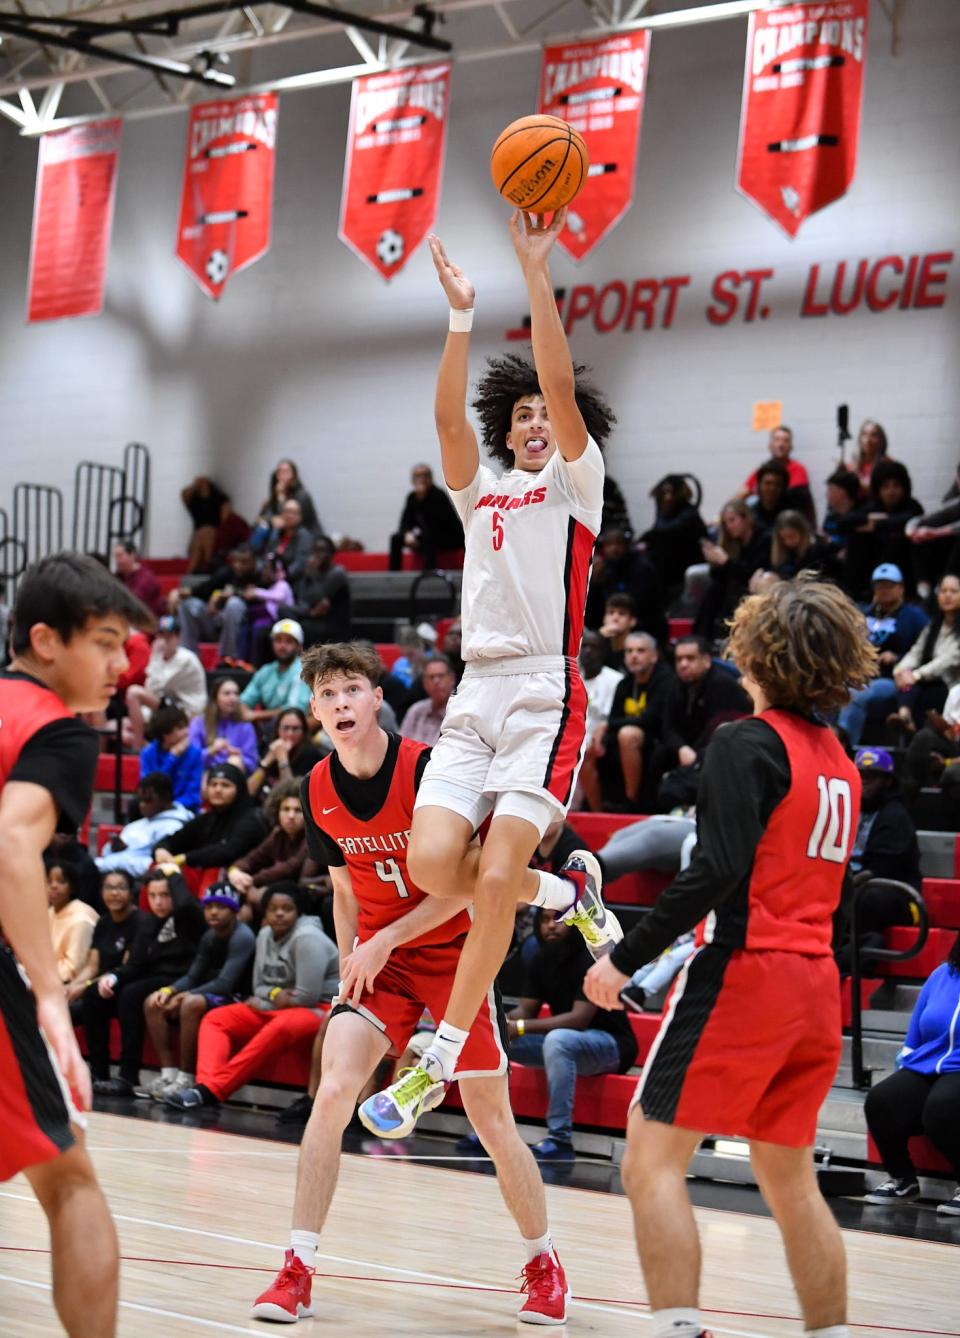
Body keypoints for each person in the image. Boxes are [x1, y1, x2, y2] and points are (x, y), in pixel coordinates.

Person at [361, 213, 623, 1141]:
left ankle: (439, 1056)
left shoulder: (574, 487)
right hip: (474, 694)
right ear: (506, 433)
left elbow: (557, 377)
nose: (534, 419)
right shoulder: (483, 495)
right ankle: (572, 893)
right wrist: (461, 319)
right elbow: (445, 421)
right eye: (518, 415)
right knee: (434, 863)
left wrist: (533, 269)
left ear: (567, 429)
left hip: (546, 693)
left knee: (498, 868)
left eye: (546, 413)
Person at [583, 574, 877, 1338]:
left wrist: (624, 958)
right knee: (789, 1178)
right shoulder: (837, 760)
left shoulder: (745, 741)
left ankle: (678, 1328)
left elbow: (714, 870)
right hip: (815, 984)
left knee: (647, 1159)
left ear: (757, 648)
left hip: (747, 970)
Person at [250, 641, 573, 1325]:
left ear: (376, 700)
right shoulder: (314, 789)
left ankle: (544, 1264)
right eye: (327, 694)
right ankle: (296, 1269)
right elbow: (342, 891)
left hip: (456, 954)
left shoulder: (430, 770)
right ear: (313, 709)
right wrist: (350, 965)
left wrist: (388, 936)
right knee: (332, 1091)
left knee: (491, 1122)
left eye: (351, 690)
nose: (339, 703)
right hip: (381, 965)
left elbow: (473, 886)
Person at [0, 552, 151, 1338]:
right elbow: (9, 848)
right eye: (104, 641)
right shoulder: (55, 729)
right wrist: (51, 998)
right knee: (70, 1180)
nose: (120, 665)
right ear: (45, 640)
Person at [165, 882, 338, 1111]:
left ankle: (213, 1090)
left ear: (298, 913)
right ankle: (204, 1087)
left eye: (286, 909)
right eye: (273, 909)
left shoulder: (308, 938)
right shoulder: (264, 934)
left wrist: (269, 997)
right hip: (275, 1006)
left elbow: (305, 997)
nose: (279, 913)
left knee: (281, 1025)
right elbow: (259, 986)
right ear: (264, 913)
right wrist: (275, 995)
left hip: (321, 1010)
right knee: (217, 1019)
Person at [498, 908, 638, 1162]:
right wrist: (499, 1022)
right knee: (497, 1041)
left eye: (558, 919)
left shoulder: (589, 958)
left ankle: (560, 1139)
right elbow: (526, 1009)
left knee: (558, 1040)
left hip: (612, 1044)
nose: (551, 926)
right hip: (569, 1043)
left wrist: (519, 1028)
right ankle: (494, 1130)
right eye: (544, 920)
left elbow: (578, 1019)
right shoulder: (541, 959)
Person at [82, 867, 207, 1096]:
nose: (158, 902)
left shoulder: (189, 918)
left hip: (182, 980)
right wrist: (113, 976)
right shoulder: (147, 924)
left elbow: (188, 905)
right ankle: (99, 1071)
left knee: (131, 994)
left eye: (165, 895)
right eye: (153, 896)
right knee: (94, 993)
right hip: (152, 979)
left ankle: (129, 1075)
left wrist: (173, 873)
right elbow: (136, 965)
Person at [863, 931, 960, 1216]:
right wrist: (906, 1061)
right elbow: (916, 1031)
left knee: (941, 1109)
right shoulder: (943, 974)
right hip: (929, 1063)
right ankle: (903, 1180)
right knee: (882, 1100)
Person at [142, 882, 256, 1102]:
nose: (212, 911)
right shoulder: (209, 937)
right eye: (208, 906)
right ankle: (168, 1075)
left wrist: (184, 995)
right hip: (216, 993)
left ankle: (186, 1077)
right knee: (153, 1001)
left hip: (241, 996)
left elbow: (225, 983)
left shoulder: (243, 936)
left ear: (233, 910)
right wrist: (170, 990)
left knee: (190, 1003)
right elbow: (193, 976)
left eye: (219, 907)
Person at [839, 573, 960, 744]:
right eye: (943, 591)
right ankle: (904, 716)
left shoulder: (915, 616)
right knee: (906, 682)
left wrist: (915, 675)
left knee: (917, 688)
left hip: (951, 685)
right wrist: (900, 671)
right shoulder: (934, 625)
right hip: (925, 679)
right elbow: (916, 652)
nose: (947, 595)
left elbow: (949, 660)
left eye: (954, 591)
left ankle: (905, 721)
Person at [648, 636, 751, 807]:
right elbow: (668, 727)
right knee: (659, 753)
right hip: (688, 749)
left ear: (706, 660)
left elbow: (720, 732)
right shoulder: (675, 685)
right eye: (679, 659)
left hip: (716, 752)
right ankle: (647, 810)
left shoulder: (723, 685)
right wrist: (682, 748)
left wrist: (694, 757)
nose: (683, 664)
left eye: (690, 658)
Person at [602, 632, 676, 811]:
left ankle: (631, 801)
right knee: (591, 745)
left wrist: (608, 725)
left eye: (640, 651)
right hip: (634, 736)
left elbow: (650, 719)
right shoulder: (625, 684)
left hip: (660, 736)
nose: (634, 655)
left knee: (628, 734)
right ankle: (595, 808)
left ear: (654, 656)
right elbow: (613, 719)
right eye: (629, 651)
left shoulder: (666, 680)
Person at [154, 762, 267, 878]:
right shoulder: (207, 818)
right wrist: (161, 849)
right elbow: (174, 840)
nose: (218, 790)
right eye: (213, 784)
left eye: (225, 785)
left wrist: (184, 858)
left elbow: (228, 851)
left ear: (239, 790)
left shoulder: (251, 818)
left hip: (242, 878)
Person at [228, 778, 310, 919]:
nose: (291, 816)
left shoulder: (311, 837)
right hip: (274, 890)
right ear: (277, 811)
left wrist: (250, 881)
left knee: (259, 899)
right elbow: (251, 858)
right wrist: (235, 872)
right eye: (286, 809)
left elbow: (290, 867)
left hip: (304, 897)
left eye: (297, 810)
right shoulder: (277, 835)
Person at [694, 499, 771, 644]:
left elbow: (751, 573)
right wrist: (714, 562)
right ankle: (702, 639)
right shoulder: (731, 541)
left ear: (746, 518)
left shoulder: (764, 538)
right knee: (715, 589)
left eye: (732, 520)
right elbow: (719, 577)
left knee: (727, 591)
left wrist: (725, 561)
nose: (729, 526)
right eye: (726, 523)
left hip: (757, 588)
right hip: (734, 588)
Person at [125, 615, 207, 750]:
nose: (163, 642)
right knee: (120, 726)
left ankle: (137, 749)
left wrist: (155, 657)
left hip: (188, 711)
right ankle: (146, 747)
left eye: (168, 637)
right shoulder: (161, 657)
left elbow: (155, 687)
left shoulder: (186, 659)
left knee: (133, 692)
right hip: (168, 705)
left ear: (178, 638)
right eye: (160, 637)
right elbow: (152, 689)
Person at [65, 871, 141, 1015]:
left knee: (82, 1002)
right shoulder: (103, 922)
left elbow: (125, 968)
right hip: (97, 984)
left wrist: (85, 986)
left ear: (131, 893)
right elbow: (92, 967)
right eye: (109, 887)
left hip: (120, 985)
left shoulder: (140, 922)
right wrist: (72, 986)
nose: (114, 893)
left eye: (121, 888)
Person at [96, 773, 191, 878]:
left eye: (147, 800)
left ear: (165, 798)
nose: (142, 805)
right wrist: (113, 848)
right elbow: (106, 854)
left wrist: (115, 862)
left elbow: (152, 865)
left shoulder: (174, 827)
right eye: (140, 800)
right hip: (108, 870)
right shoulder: (136, 824)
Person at [177, 543, 260, 661]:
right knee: (188, 604)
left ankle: (228, 658)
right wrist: (183, 593)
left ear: (254, 562)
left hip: (241, 626)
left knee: (234, 603)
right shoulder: (228, 572)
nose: (238, 566)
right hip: (216, 621)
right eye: (236, 561)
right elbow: (206, 588)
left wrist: (230, 594)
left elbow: (258, 594)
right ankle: (188, 657)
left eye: (244, 562)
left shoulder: (260, 575)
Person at [584, 528, 667, 646]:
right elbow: (591, 612)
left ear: (627, 545)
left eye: (619, 543)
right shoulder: (600, 569)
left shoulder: (642, 568)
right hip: (606, 627)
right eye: (609, 544)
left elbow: (646, 605)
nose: (614, 548)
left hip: (643, 626)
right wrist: (594, 585)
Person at [575, 628, 625, 811]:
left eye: (594, 647)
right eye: (585, 647)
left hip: (603, 734)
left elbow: (614, 716)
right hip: (574, 732)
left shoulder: (615, 679)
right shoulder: (572, 677)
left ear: (603, 652)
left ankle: (596, 812)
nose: (588, 651)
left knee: (583, 750)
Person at [389, 462, 465, 570]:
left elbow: (436, 525)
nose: (422, 479)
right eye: (418, 476)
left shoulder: (438, 495)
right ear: (413, 480)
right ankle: (393, 576)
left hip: (448, 537)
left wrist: (422, 499)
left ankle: (427, 575)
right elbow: (405, 521)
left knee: (429, 535)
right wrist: (407, 534)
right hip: (426, 536)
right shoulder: (412, 497)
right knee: (396, 538)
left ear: (430, 478)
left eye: (425, 475)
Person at [641, 475, 707, 596]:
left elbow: (667, 533)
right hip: (666, 569)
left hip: (684, 569)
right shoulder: (663, 513)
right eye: (664, 493)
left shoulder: (689, 514)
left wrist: (647, 537)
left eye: (672, 493)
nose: (668, 497)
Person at [240, 619, 313, 726]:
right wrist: (243, 711)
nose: (282, 646)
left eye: (289, 641)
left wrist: (255, 715)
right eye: (278, 640)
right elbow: (244, 700)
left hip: (297, 728)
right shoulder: (265, 670)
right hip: (270, 728)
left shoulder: (303, 670)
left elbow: (295, 710)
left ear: (299, 647)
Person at [282, 535, 352, 645]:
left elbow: (316, 597)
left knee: (301, 627)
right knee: (283, 611)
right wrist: (311, 612)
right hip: (314, 618)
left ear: (332, 553)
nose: (318, 555)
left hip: (333, 624)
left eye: (322, 550)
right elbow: (303, 599)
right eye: (316, 551)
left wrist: (311, 572)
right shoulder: (313, 573)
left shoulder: (337, 573)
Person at [247, 707, 325, 801]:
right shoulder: (271, 747)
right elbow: (249, 791)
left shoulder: (311, 755)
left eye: (295, 729)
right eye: (285, 728)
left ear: (303, 731)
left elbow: (290, 795)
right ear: (277, 729)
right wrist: (267, 761)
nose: (290, 734)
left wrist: (282, 759)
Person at [139, 703, 205, 813]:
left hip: (183, 809)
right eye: (180, 728)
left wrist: (171, 807)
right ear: (165, 734)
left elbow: (193, 795)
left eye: (186, 727)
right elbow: (150, 788)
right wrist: (172, 758)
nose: (186, 732)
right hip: (154, 808)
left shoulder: (195, 753)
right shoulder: (148, 753)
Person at [187, 677, 259, 775]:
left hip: (234, 776)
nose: (233, 698)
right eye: (227, 693)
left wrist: (239, 756)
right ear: (215, 698)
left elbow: (252, 764)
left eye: (236, 693)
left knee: (235, 761)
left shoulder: (245, 726)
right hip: (205, 774)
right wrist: (211, 750)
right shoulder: (199, 723)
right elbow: (190, 759)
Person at [47, 858, 99, 984]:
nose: (54, 886)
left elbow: (74, 970)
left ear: (72, 887)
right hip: (47, 977)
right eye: (49, 881)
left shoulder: (81, 919)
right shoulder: (49, 912)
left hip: (71, 985)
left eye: (61, 881)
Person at [251, 459, 321, 549]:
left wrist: (281, 497)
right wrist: (270, 519)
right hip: (285, 532)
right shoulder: (275, 495)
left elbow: (288, 521)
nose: (283, 475)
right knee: (262, 528)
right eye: (280, 472)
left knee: (276, 532)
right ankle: (251, 556)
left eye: (286, 472)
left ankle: (270, 559)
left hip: (304, 533)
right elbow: (262, 518)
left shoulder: (302, 495)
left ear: (294, 475)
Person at [400, 652, 457, 746]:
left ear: (452, 678)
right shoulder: (416, 710)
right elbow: (400, 747)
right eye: (431, 677)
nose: (436, 681)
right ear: (424, 683)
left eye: (441, 676)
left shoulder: (462, 712)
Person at [739, 425, 811, 498]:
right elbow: (742, 493)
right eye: (777, 440)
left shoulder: (798, 469)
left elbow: (792, 497)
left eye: (785, 441)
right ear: (770, 445)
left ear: (791, 447)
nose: (781, 444)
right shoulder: (764, 469)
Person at [180, 475, 232, 572]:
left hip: (214, 535)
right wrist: (194, 486)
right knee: (201, 534)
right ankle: (203, 566)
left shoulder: (219, 499)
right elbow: (183, 494)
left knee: (206, 532)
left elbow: (225, 520)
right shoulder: (194, 501)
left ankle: (200, 567)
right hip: (198, 537)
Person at [265, 499, 316, 586]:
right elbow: (268, 555)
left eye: (294, 513)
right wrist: (266, 569)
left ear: (300, 517)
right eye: (287, 512)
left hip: (293, 583)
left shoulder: (304, 537)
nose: (290, 516)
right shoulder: (277, 534)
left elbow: (300, 563)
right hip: (273, 580)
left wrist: (284, 576)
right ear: (282, 514)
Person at [112, 539, 165, 617]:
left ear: (132, 555)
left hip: (145, 621)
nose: (117, 561)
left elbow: (133, 603)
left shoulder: (146, 578)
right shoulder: (118, 576)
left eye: (120, 556)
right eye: (115, 557)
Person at [598, 591, 639, 671]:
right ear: (604, 619)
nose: (615, 618)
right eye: (611, 612)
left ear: (632, 621)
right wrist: (599, 637)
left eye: (622, 613)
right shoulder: (597, 646)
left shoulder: (637, 652)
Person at [849, 419, 890, 494]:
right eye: (864, 434)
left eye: (873, 435)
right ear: (860, 439)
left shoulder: (888, 465)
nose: (868, 440)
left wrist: (853, 475)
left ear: (881, 440)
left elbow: (876, 491)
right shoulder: (853, 464)